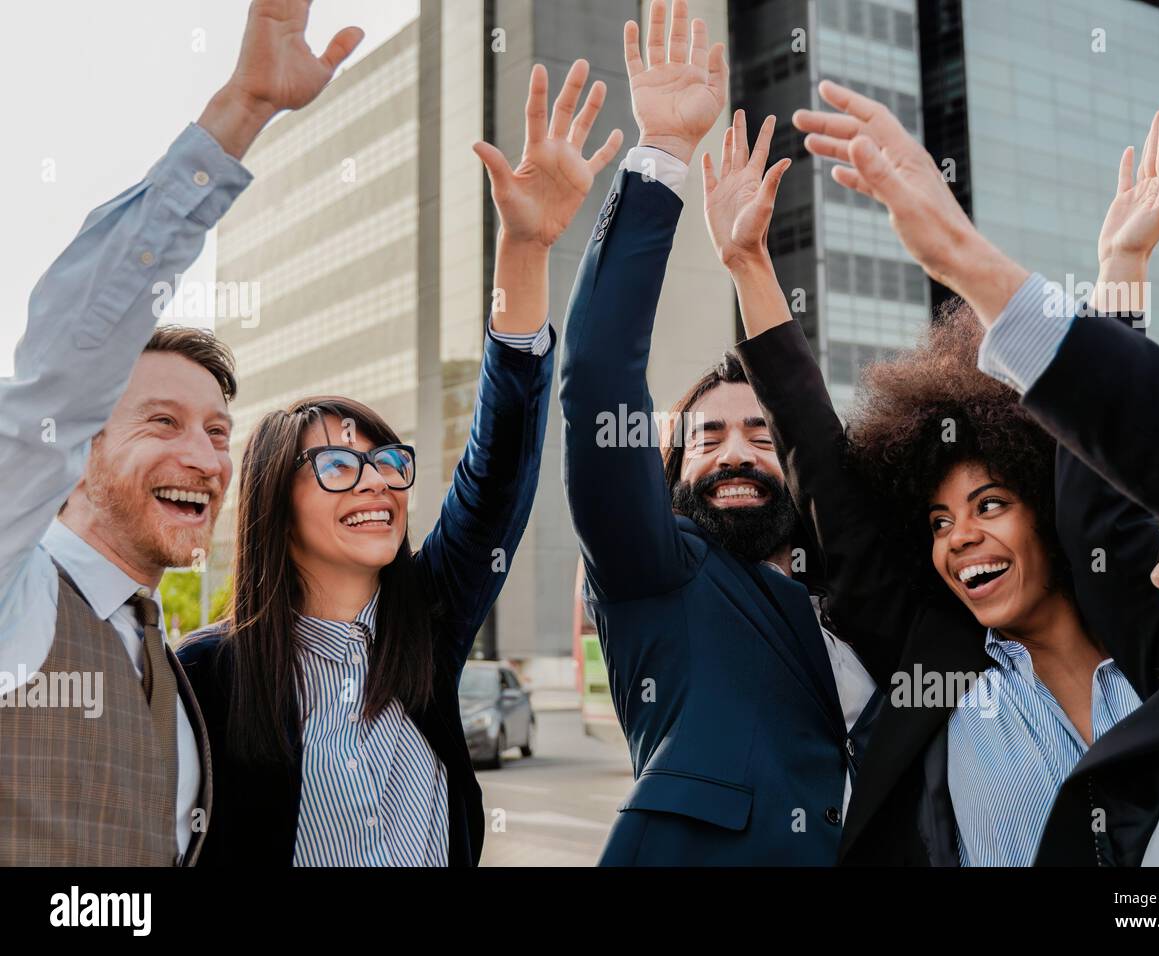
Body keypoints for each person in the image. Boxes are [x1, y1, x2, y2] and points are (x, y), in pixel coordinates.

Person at [799, 85, 1159, 864]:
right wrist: (1119, 275)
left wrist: (978, 260)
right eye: (938, 521)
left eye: (989, 504)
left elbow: (1139, 476)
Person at [707, 110, 1159, 865]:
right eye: (936, 521)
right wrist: (748, 267)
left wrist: (1123, 271)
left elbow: (1106, 485)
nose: (959, 536)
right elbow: (824, 469)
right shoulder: (933, 666)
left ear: (1049, 515)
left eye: (989, 504)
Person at [177, 56, 621, 867]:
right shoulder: (208, 675)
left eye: (386, 461)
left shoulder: (429, 623)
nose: (376, 479)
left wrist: (524, 251)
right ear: (277, 502)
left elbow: (498, 470)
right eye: (338, 466)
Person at [0, 0, 360, 866]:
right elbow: (64, 360)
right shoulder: (16, 595)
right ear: (80, 441)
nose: (203, 457)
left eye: (216, 430)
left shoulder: (163, 650)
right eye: (160, 422)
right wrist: (241, 113)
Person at [559, 0, 877, 866]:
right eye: (706, 439)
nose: (736, 450)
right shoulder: (654, 572)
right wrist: (662, 155)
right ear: (670, 472)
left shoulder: (862, 592)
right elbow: (595, 382)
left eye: (759, 436)